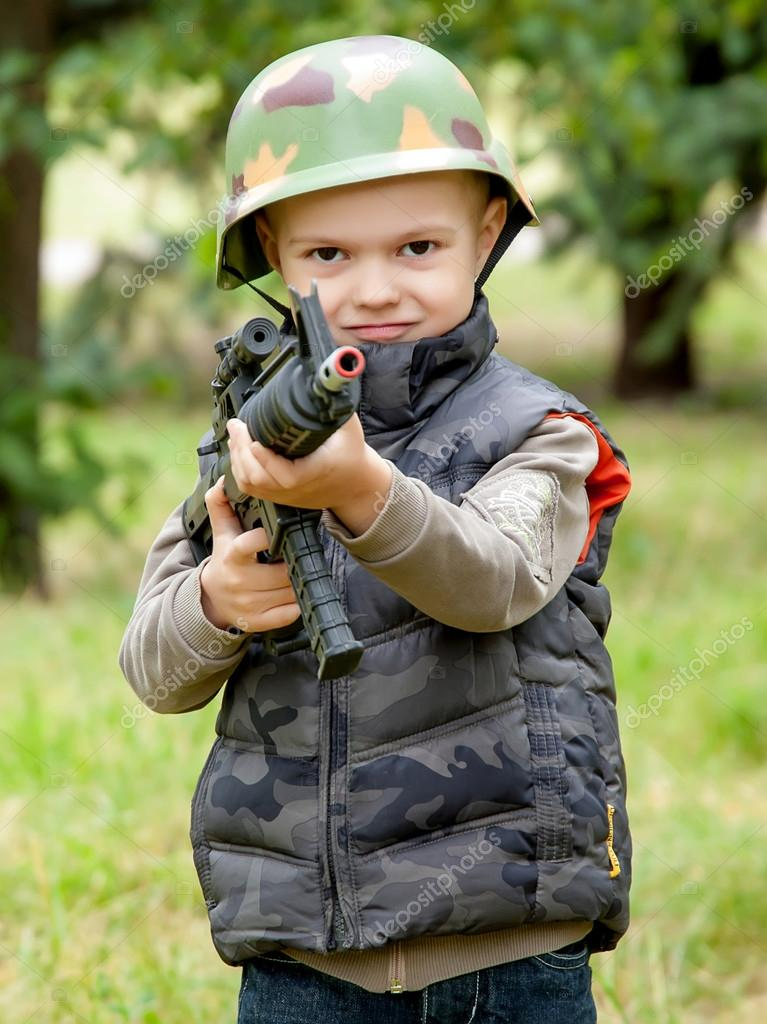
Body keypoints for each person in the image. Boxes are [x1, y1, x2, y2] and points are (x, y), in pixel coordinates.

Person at [118, 34, 633, 1024]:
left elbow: (492, 579)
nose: (374, 288)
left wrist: (360, 489)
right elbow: (151, 665)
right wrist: (217, 603)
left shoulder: (538, 433)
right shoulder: (248, 453)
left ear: (485, 235)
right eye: (326, 254)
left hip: (506, 947)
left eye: (416, 247)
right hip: (303, 959)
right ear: (272, 252)